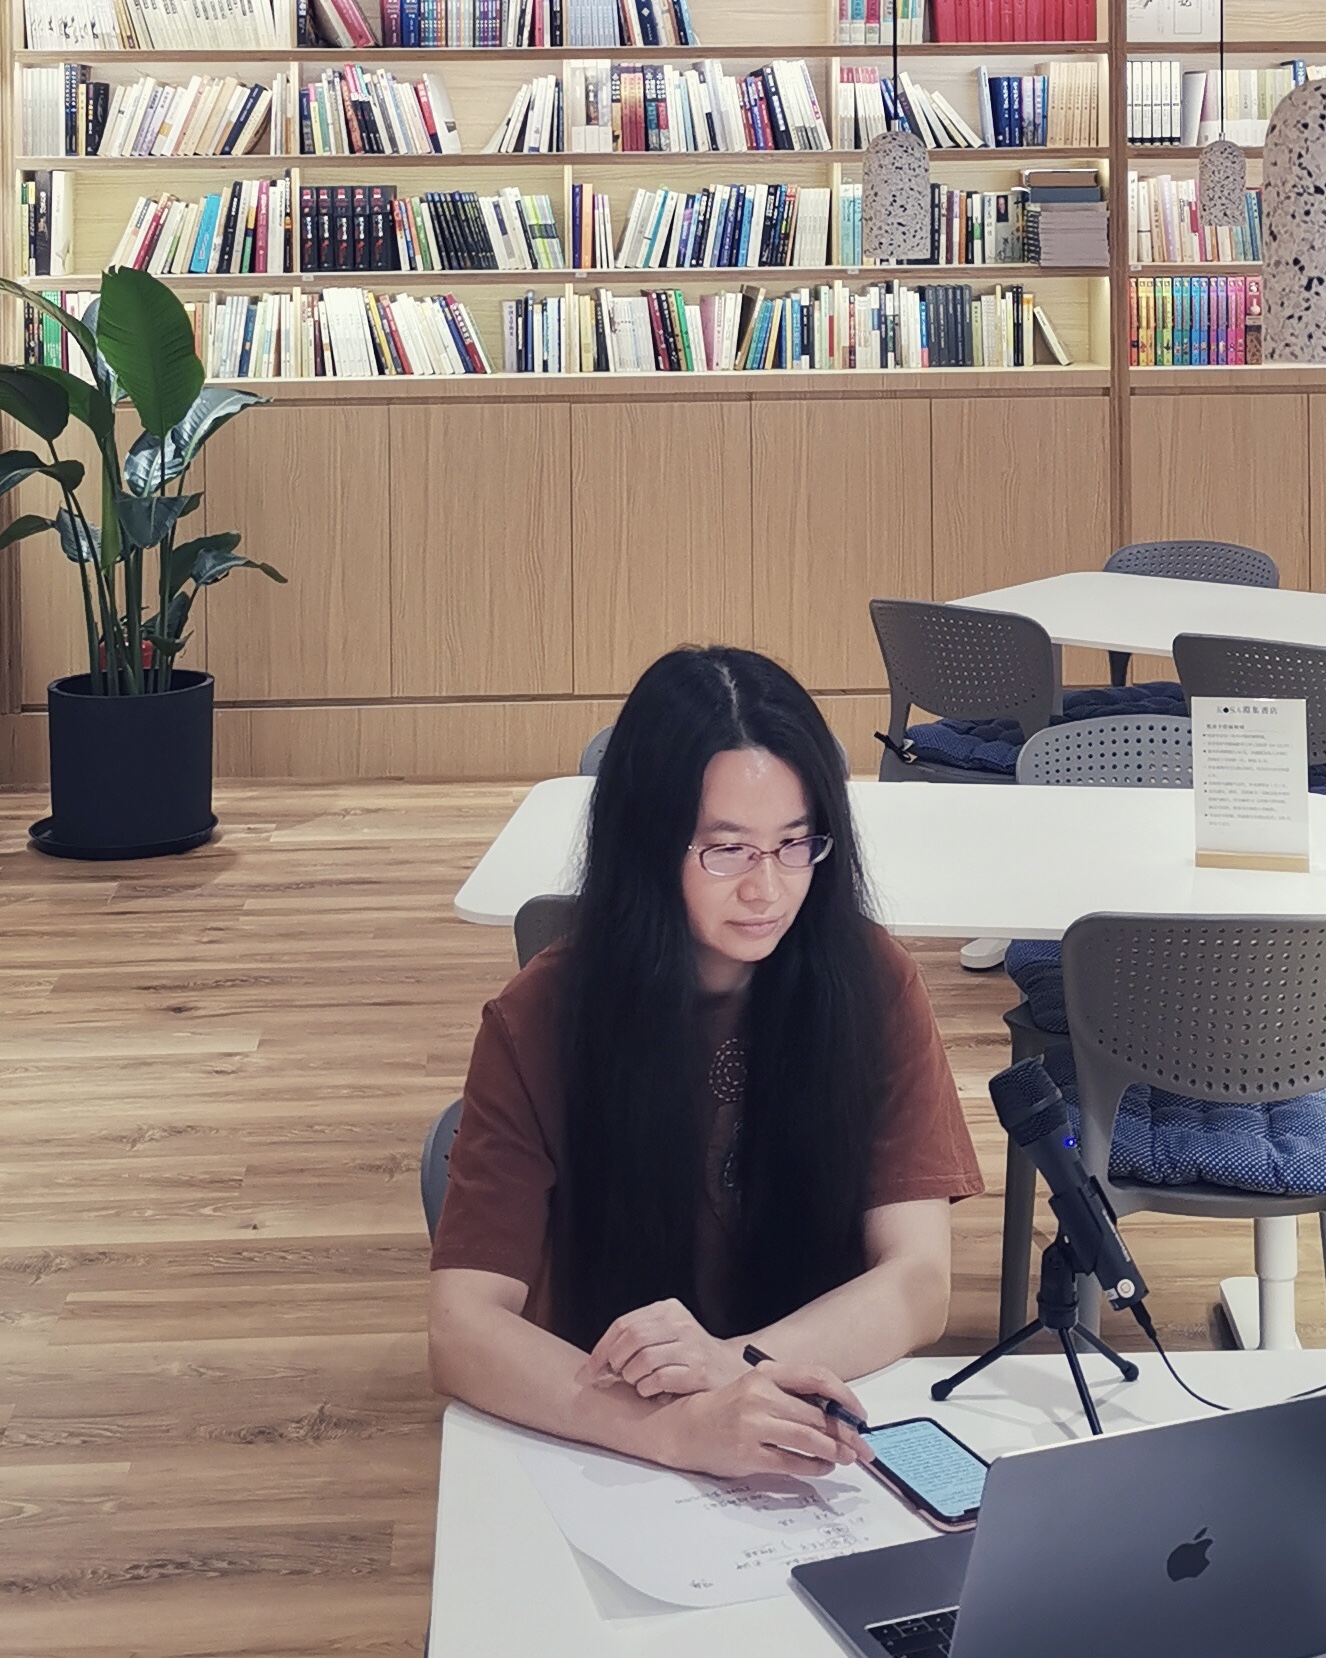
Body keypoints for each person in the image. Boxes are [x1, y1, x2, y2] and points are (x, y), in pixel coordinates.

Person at [429, 646, 982, 1479]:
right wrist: (675, 1429)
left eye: (795, 844)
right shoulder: (542, 1016)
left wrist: (736, 1364)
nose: (768, 889)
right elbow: (460, 1326)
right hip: (610, 1449)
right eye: (727, 850)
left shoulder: (871, 983)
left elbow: (919, 1280)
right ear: (646, 847)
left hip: (812, 1430)